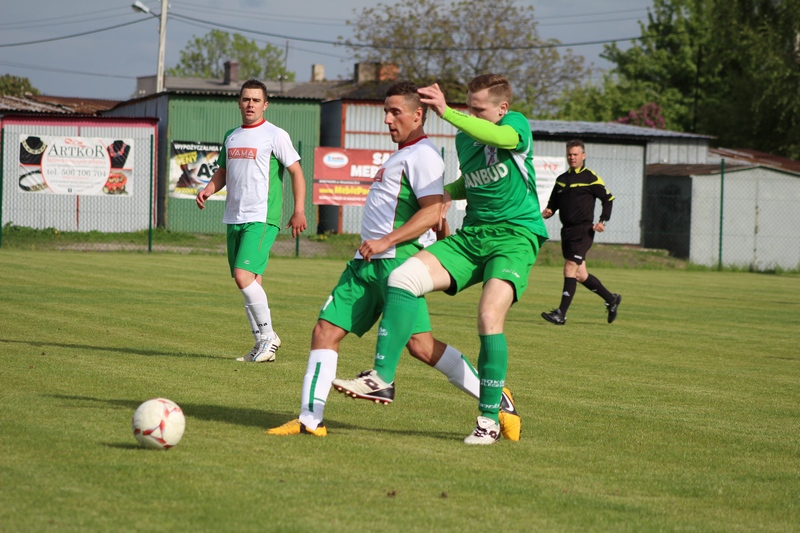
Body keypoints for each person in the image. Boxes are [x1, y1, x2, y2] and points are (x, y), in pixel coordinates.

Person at [267, 81, 521, 440]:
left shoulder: (424, 155)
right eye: (385, 111)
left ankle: (494, 396)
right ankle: (310, 419)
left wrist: (389, 241)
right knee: (325, 331)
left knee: (421, 346)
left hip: (397, 263)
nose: (387, 119)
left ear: (418, 115)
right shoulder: (401, 155)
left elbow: (431, 212)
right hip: (364, 263)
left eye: (395, 112)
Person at [332, 74, 548, 445]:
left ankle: (488, 420)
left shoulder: (516, 125)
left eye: (480, 110)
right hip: (473, 236)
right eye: (469, 109)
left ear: (503, 108)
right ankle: (381, 379)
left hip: (515, 237)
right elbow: (474, 180)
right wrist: (448, 192)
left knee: (488, 317)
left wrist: (447, 112)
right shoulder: (465, 138)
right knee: (403, 278)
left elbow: (500, 139)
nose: (473, 116)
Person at [196, 79, 307, 362]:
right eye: (246, 99)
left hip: (261, 216)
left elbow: (296, 171)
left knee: (242, 276)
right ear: (239, 102)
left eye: (256, 100)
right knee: (250, 281)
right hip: (234, 216)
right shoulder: (231, 136)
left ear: (265, 105)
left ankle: (269, 337)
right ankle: (261, 345)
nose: (250, 104)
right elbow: (223, 171)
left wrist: (299, 210)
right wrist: (208, 189)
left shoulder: (275, 134)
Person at [540, 139, 621, 326]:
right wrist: (549, 211)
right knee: (580, 275)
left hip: (583, 230)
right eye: (569, 154)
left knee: (569, 268)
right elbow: (553, 203)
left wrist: (603, 221)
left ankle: (561, 314)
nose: (572, 157)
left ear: (583, 156)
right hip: (567, 231)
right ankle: (611, 299)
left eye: (575, 154)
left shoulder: (590, 177)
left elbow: (608, 199)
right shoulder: (561, 180)